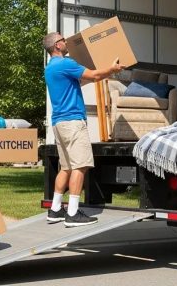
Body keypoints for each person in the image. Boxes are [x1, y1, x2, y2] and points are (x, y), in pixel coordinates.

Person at [43, 32, 125, 227]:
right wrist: (111, 69)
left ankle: (55, 210)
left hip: (59, 123)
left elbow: (84, 79)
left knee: (66, 167)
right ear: (57, 45)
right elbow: (94, 75)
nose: (66, 42)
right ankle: (72, 213)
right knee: (81, 165)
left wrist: (102, 73)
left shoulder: (50, 68)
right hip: (73, 122)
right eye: (63, 40)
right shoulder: (65, 63)